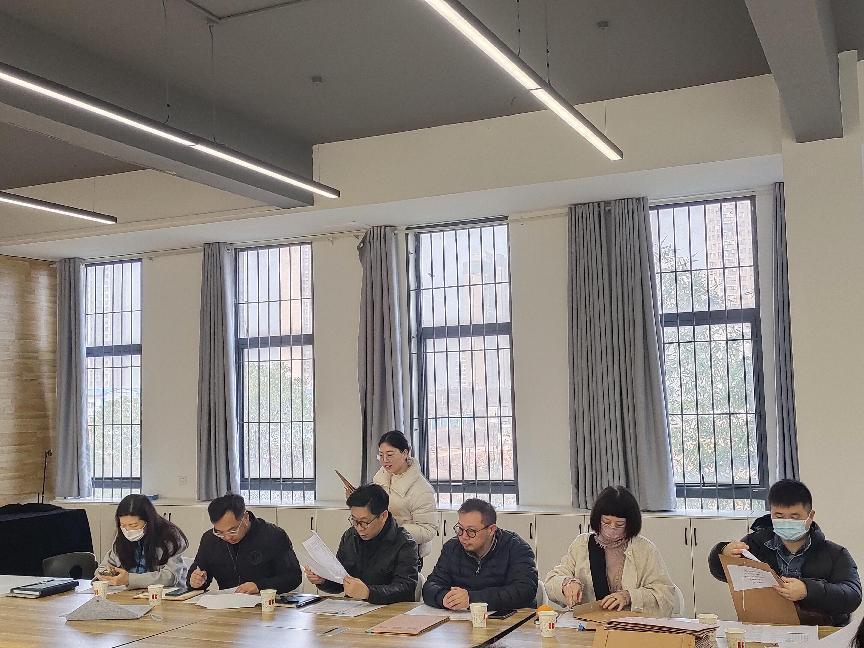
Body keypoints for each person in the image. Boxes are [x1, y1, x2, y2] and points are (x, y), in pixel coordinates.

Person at [708, 479, 861, 626]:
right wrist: (723, 552)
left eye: (795, 517)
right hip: (764, 627)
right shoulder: (755, 544)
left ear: (810, 516)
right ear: (771, 514)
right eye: (779, 516)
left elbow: (852, 595)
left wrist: (808, 590)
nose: (787, 522)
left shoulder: (835, 554)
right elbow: (721, 573)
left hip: (818, 630)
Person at [544, 486, 680, 616]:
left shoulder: (645, 549)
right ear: (598, 519)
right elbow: (551, 581)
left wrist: (629, 596)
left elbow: (665, 595)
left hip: (631, 624)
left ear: (630, 523)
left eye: (619, 524)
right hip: (589, 623)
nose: (612, 528)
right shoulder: (582, 545)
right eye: (606, 522)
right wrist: (566, 583)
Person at [306, 483, 420, 604]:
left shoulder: (404, 543)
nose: (359, 528)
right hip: (352, 609)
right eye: (354, 520)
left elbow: (406, 590)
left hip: (388, 611)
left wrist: (368, 593)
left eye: (365, 522)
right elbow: (341, 581)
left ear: (383, 516)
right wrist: (323, 580)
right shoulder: (350, 536)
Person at [422, 498, 538, 611]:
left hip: (509, 619)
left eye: (471, 531)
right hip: (462, 619)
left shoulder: (516, 547)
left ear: (491, 530)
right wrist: (444, 598)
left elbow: (525, 591)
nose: (463, 537)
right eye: (460, 529)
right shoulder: (452, 548)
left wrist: (472, 599)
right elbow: (431, 585)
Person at [187, 493, 302, 594]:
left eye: (232, 530)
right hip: (227, 605)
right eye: (220, 532)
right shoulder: (210, 539)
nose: (227, 537)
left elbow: (293, 577)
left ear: (246, 518)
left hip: (266, 604)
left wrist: (259, 586)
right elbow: (197, 572)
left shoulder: (273, 535)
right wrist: (196, 582)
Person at [370, 431, 438, 563]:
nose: (384, 460)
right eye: (381, 455)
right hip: (380, 547)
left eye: (390, 455)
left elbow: (428, 529)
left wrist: (392, 532)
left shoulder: (421, 489)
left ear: (405, 453)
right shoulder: (380, 478)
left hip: (407, 552)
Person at [96, 494, 188, 589]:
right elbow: (104, 567)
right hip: (129, 594)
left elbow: (170, 577)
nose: (128, 530)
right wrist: (106, 575)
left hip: (164, 593)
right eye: (123, 525)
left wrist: (129, 579)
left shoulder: (169, 536)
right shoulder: (121, 536)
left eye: (134, 525)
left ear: (148, 521)